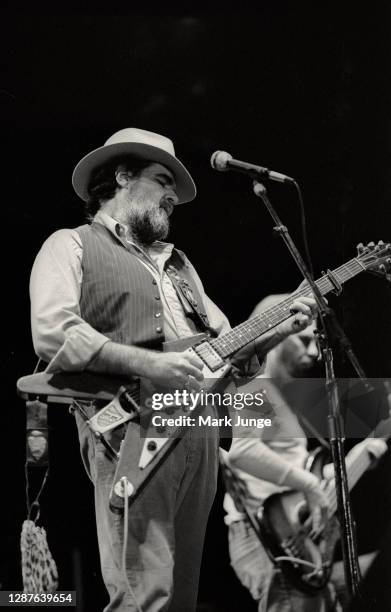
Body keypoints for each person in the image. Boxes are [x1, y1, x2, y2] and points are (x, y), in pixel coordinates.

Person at [29, 129, 318, 612]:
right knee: (145, 594)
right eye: (163, 180)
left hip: (200, 429)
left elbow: (227, 348)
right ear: (122, 176)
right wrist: (151, 363)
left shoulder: (182, 266)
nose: (172, 197)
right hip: (130, 426)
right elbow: (53, 331)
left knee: (181, 597)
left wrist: (277, 331)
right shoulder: (71, 245)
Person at [223, 294, 388, 612]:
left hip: (299, 535)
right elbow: (241, 452)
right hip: (269, 535)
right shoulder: (253, 385)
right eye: (303, 340)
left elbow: (302, 475)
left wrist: (365, 452)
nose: (314, 352)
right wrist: (312, 485)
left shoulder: (288, 396)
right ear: (275, 333)